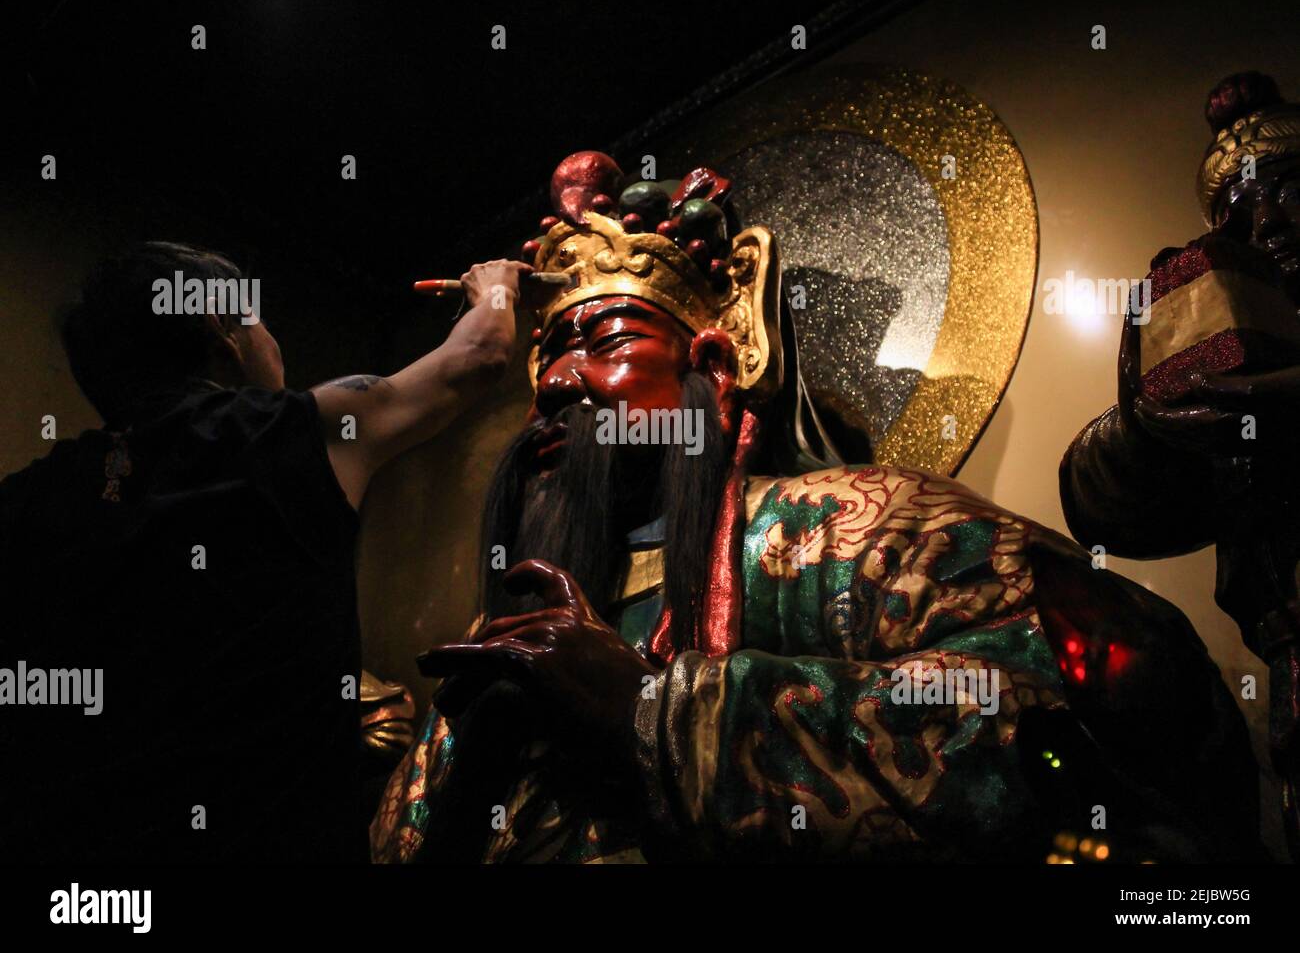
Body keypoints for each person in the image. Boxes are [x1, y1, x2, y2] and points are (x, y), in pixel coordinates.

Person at [371, 152, 1262, 864]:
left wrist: (657, 712)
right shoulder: (514, 628)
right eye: (548, 358)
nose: (557, 384)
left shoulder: (848, 528)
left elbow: (1107, 688)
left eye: (604, 340)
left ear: (712, 368)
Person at [0, 240, 547, 862]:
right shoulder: (288, 433)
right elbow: (477, 357)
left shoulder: (26, 499)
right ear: (223, 330)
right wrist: (495, 285)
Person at [1060, 72, 1300, 856]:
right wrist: (1144, 422)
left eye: (1290, 191)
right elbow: (1102, 507)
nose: (1268, 222)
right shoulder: (1243, 328)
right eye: (1242, 210)